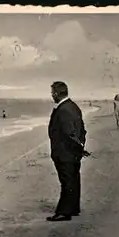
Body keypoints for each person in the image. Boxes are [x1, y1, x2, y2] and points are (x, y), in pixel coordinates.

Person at [47, 81, 89, 222]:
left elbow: (68, 134)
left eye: (52, 92)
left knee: (67, 181)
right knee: (73, 179)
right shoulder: (73, 107)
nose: (52, 95)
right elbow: (82, 130)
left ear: (57, 93)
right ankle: (73, 208)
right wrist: (81, 146)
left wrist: (79, 148)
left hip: (65, 152)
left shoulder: (63, 109)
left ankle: (65, 212)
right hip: (72, 152)